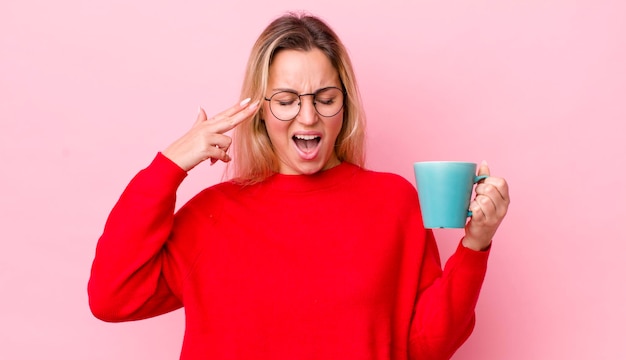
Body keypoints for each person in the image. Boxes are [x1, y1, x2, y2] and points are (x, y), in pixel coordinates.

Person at [88, 12, 510, 360]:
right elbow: (111, 296)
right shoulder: (210, 215)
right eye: (287, 100)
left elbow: (424, 347)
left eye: (324, 98)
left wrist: (475, 247)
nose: (307, 117)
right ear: (259, 110)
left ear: (344, 104)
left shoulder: (395, 202)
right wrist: (171, 164)